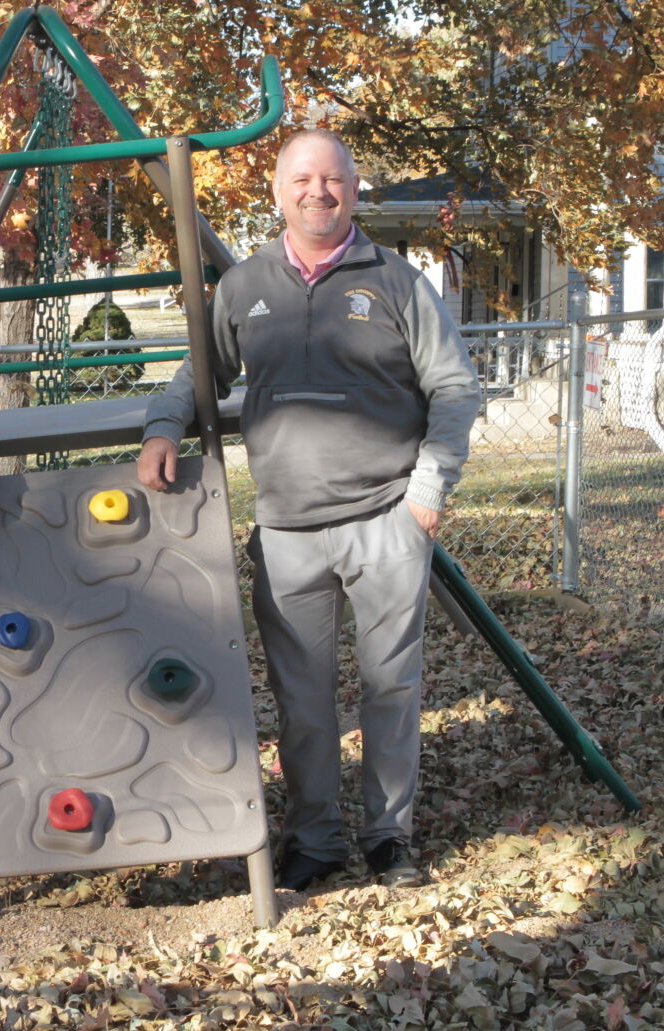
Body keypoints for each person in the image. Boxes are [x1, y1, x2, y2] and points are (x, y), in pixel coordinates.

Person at [137, 129, 481, 893]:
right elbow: (197, 372)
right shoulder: (244, 285)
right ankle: (316, 839)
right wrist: (163, 427)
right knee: (302, 698)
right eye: (301, 179)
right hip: (288, 528)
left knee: (390, 687)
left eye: (332, 179)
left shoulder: (393, 280)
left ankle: (388, 835)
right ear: (276, 190)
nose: (317, 191)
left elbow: (455, 387)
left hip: (386, 517)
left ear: (354, 190)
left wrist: (428, 488)